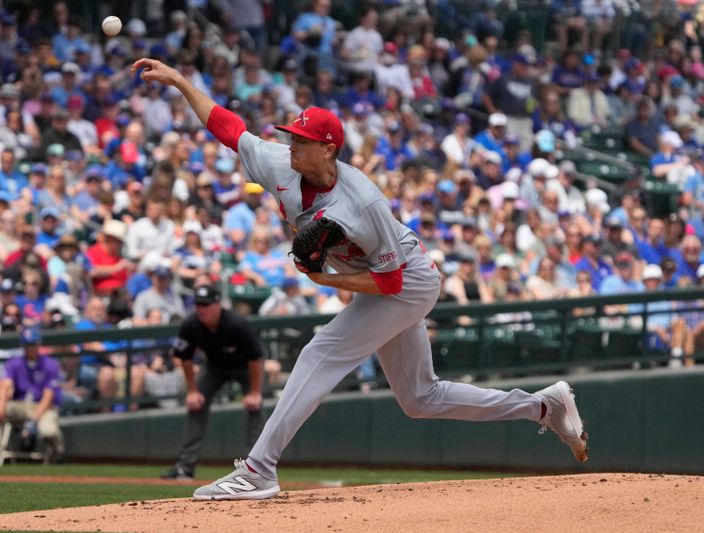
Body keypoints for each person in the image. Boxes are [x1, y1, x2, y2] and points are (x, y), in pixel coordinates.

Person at [133, 57, 589, 501]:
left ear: (328, 149)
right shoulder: (281, 164)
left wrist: (324, 280)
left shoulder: (364, 203)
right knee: (420, 398)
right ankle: (543, 407)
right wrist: (178, 80)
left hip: (407, 280)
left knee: (321, 351)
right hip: (376, 278)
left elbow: (390, 284)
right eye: (291, 136)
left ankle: (258, 470)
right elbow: (228, 128)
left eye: (301, 140)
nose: (291, 145)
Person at [160, 285, 266, 480]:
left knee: (255, 408)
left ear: (218, 305)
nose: (201, 309)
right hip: (214, 367)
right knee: (195, 406)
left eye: (206, 305)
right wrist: (192, 390)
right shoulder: (191, 324)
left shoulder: (237, 324)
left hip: (245, 367)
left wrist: (255, 392)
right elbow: (184, 357)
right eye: (198, 304)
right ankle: (185, 467)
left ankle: (258, 468)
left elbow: (256, 358)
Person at [0, 326, 64, 463]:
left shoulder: (50, 364)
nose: (30, 348)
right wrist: (0, 405)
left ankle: (57, 455)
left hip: (43, 407)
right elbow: (6, 384)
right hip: (21, 405)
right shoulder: (14, 363)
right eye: (27, 345)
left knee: (48, 431)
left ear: (38, 344)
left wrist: (34, 418)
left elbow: (48, 396)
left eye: (33, 344)